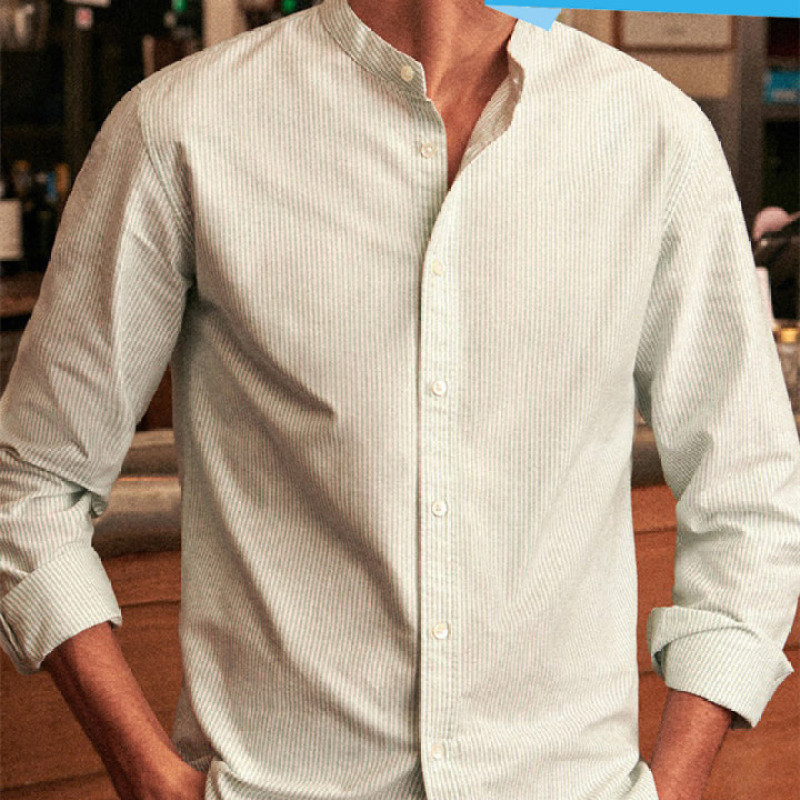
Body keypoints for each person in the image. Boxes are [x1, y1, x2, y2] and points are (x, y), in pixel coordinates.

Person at [1, 1, 799, 799]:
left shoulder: (655, 138)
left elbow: (751, 492)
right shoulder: (183, 127)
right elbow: (30, 484)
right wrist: (145, 773)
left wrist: (675, 784)